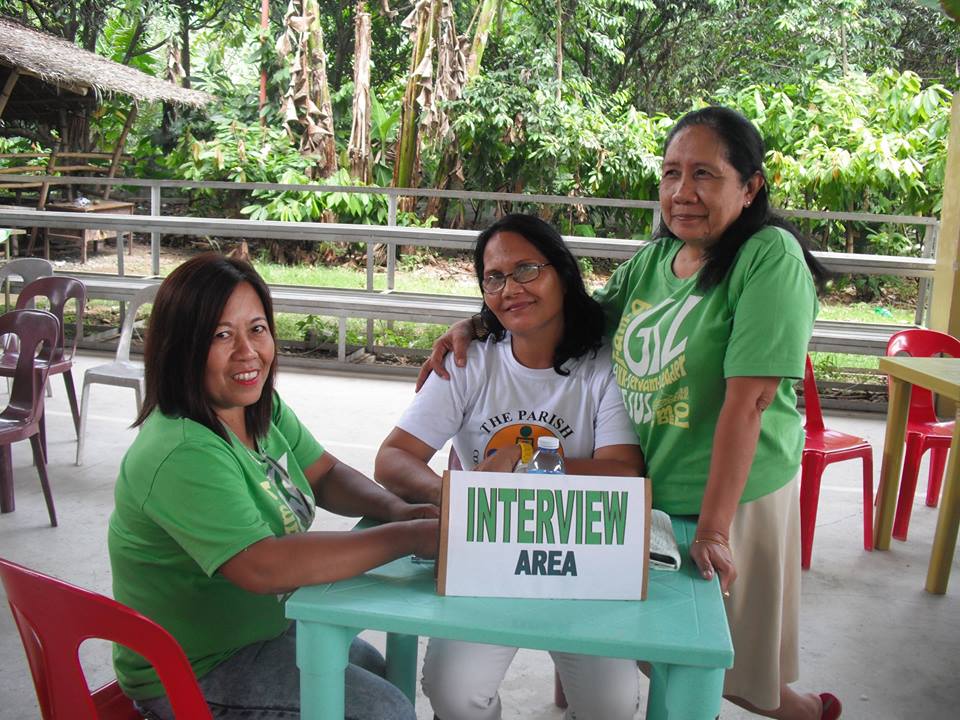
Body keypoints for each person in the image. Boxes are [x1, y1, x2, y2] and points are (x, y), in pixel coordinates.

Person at [418, 107, 842, 720]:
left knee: (717, 665)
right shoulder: (654, 262)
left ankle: (807, 713)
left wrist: (717, 530)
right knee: (659, 654)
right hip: (656, 493)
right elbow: (573, 316)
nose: (682, 192)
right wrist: (482, 319)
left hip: (730, 495)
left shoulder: (767, 256)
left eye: (704, 174)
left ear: (750, 187)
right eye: (671, 173)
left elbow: (748, 401)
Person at [108, 253, 439, 720]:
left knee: (378, 674)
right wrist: (406, 536)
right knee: (384, 711)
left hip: (261, 631)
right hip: (195, 670)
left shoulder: (256, 405)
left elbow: (324, 473)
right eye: (221, 335)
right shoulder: (182, 450)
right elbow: (262, 567)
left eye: (257, 329)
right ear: (181, 347)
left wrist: (396, 509)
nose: (248, 353)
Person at [376, 213, 645, 720]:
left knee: (611, 705)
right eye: (494, 277)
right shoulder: (469, 360)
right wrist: (456, 496)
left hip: (577, 558)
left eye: (526, 270)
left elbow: (622, 474)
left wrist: (524, 465)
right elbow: (392, 458)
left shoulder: (604, 366)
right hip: (486, 560)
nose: (510, 289)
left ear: (562, 273)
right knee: (453, 692)